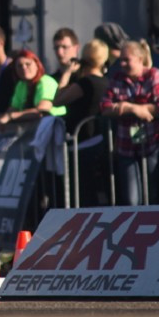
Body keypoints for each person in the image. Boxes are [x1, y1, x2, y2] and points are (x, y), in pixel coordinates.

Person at [99, 39, 159, 206]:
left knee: (152, 193)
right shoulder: (117, 78)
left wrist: (130, 107)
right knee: (132, 198)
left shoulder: (153, 75)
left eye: (126, 60)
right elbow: (104, 106)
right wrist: (132, 109)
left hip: (152, 142)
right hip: (126, 145)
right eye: (121, 60)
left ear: (139, 59)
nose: (122, 64)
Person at [53, 39, 111, 206]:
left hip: (83, 143)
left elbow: (57, 100)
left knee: (82, 192)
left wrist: (67, 73)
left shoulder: (86, 83)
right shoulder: (107, 82)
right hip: (98, 140)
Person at [0, 49, 64, 124]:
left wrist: (11, 116)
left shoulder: (45, 81)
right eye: (19, 66)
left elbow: (42, 111)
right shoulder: (21, 85)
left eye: (28, 64)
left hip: (56, 123)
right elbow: (13, 108)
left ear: (37, 65)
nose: (24, 68)